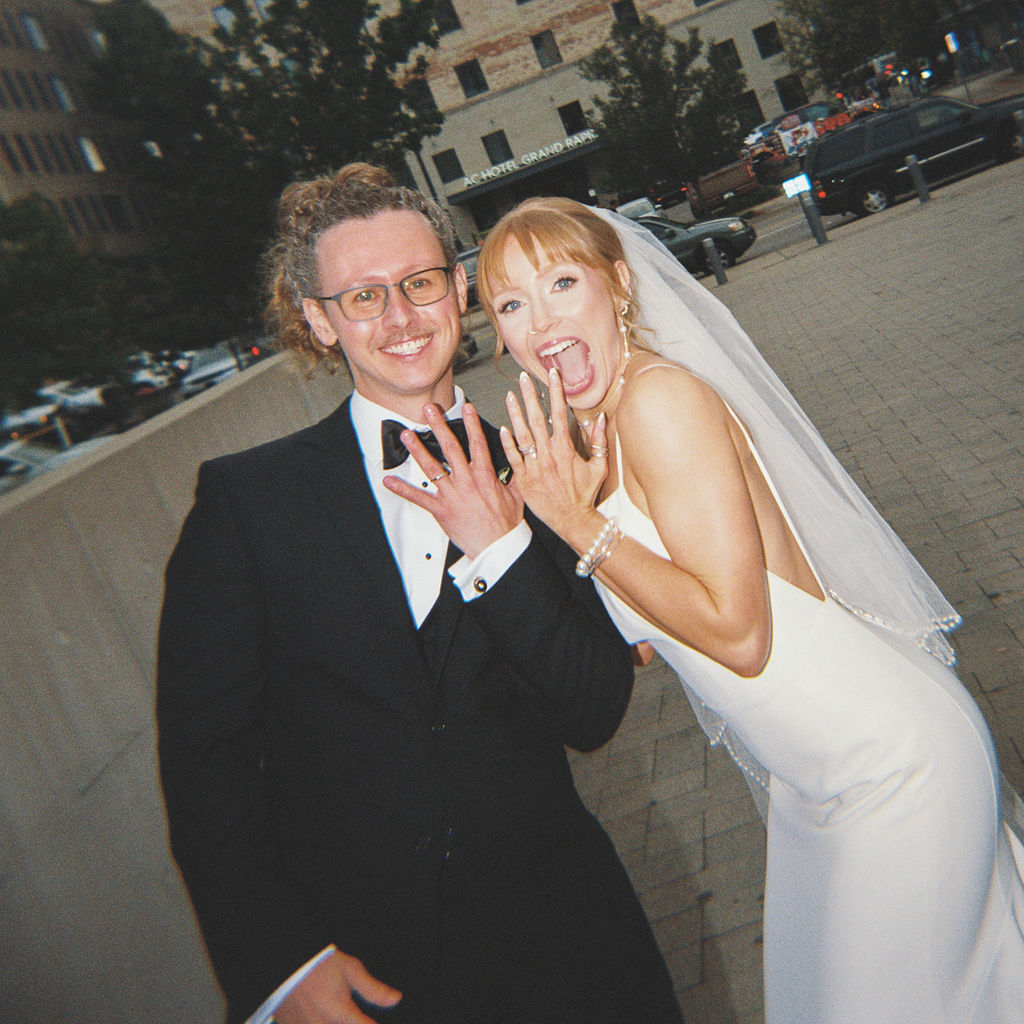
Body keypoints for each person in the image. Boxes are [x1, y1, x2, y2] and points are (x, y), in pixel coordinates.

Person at [155, 166, 684, 1024]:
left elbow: (593, 711)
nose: (400, 317)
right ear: (320, 320)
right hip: (366, 973)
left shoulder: (551, 467)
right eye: (363, 297)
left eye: (420, 283)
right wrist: (279, 965)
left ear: (459, 290)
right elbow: (204, 765)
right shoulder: (247, 503)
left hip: (573, 951)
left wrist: (504, 546)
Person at [476, 196, 1024, 1024]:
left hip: (889, 766)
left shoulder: (659, 401)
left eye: (561, 283)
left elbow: (738, 634)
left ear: (617, 284)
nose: (540, 320)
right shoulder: (601, 431)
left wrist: (580, 527)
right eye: (511, 304)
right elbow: (654, 640)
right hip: (816, 784)